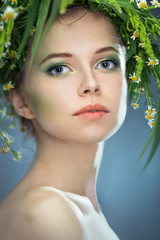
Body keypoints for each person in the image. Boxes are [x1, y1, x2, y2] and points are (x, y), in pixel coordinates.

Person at [0, 1, 159, 239]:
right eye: (59, 69)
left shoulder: (76, 209)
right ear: (22, 101)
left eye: (106, 63)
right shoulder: (46, 213)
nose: (91, 84)